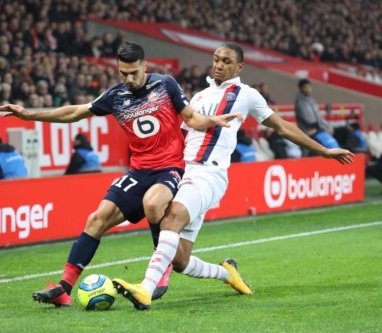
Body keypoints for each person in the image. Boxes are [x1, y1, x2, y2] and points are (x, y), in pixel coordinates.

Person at [112, 42, 354, 310]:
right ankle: (228, 273)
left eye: (226, 61)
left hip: (208, 173)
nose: (218, 64)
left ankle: (145, 289)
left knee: (171, 219)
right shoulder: (199, 97)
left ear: (239, 67)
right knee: (179, 260)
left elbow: (283, 127)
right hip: (184, 172)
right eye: (216, 59)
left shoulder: (246, 95)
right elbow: (180, 136)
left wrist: (324, 150)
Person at [0, 42, 240, 307]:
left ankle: (161, 274)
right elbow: (76, 112)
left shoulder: (166, 85)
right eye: (124, 73)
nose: (129, 79)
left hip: (170, 167)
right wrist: (31, 114)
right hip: (138, 171)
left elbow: (191, 117)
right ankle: (64, 288)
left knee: (153, 203)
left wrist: (212, 121)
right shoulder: (115, 96)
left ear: (145, 66)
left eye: (134, 72)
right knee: (96, 218)